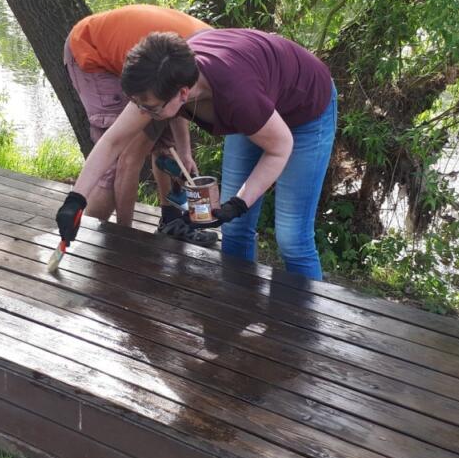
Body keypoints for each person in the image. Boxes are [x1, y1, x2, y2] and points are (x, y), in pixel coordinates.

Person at [55, 29, 337, 280]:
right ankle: (237, 309)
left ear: (183, 94)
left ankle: (306, 322)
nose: (142, 113)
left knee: (291, 238)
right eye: (137, 104)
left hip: (306, 110)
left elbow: (280, 147)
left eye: (149, 108)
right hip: (260, 97)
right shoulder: (164, 81)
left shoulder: (238, 96)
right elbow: (113, 142)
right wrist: (75, 200)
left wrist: (239, 203)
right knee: (235, 229)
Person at [65, 4, 216, 246]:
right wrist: (128, 238)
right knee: (118, 161)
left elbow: (178, 105)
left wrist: (185, 151)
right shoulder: (196, 60)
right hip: (92, 51)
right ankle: (93, 244)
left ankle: (170, 219)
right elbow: (125, 155)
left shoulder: (200, 64)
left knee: (165, 145)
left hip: (139, 61)